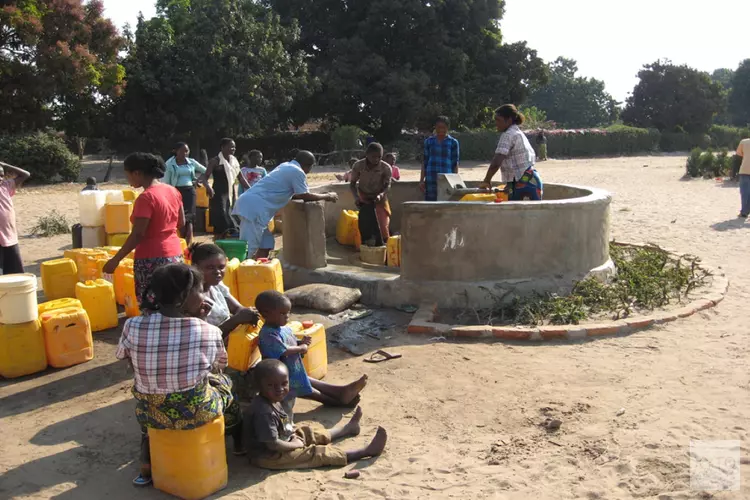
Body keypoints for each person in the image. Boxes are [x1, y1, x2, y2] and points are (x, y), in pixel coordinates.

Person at [115, 264, 243, 486]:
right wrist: (200, 320)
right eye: (201, 290)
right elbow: (219, 365)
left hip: (151, 412)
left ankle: (146, 461)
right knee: (226, 384)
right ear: (186, 295)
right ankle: (239, 442)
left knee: (148, 406)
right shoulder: (209, 330)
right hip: (197, 412)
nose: (205, 295)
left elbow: (124, 357)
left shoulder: (132, 325)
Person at [244, 359, 387, 470]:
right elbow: (273, 445)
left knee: (307, 432)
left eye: (284, 383)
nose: (280, 389)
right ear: (259, 386)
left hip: (281, 439)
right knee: (315, 453)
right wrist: (295, 445)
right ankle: (364, 452)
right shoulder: (263, 412)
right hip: (267, 456)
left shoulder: (272, 399)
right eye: (271, 385)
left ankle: (348, 429)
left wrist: (293, 437)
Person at [256, 290, 368, 409]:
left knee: (306, 382)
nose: (287, 316)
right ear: (266, 314)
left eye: (288, 312)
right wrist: (301, 348)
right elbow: (283, 350)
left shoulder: (282, 328)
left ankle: (340, 392)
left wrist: (300, 342)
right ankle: (337, 402)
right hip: (280, 375)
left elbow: (287, 343)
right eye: (282, 313)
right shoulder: (268, 334)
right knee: (307, 390)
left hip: (292, 370)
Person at [103, 153, 185, 305]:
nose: (128, 180)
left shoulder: (146, 198)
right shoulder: (173, 191)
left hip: (151, 258)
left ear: (137, 173)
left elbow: (138, 234)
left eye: (127, 175)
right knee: (173, 301)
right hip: (175, 253)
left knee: (152, 303)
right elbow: (181, 222)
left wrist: (115, 260)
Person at [233, 150, 339, 259]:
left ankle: (259, 267)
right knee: (248, 248)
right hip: (254, 209)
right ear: (309, 166)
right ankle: (240, 272)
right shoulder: (297, 171)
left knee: (267, 243)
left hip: (254, 207)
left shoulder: (286, 166)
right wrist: (327, 196)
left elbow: (293, 194)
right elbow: (304, 196)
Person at [189, 242, 260, 337]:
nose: (217, 272)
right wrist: (235, 320)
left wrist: (250, 313)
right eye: (210, 267)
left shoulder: (217, 286)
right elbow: (204, 336)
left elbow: (236, 308)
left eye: (221, 267)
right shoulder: (192, 297)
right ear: (195, 267)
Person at [480, 105, 543, 201]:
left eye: (498, 120)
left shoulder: (508, 135)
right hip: (532, 180)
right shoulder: (518, 132)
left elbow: (497, 162)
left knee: (516, 215)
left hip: (522, 184)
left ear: (509, 120)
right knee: (533, 214)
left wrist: (486, 181)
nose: (496, 123)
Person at [200, 138, 247, 238]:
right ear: (222, 147)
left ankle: (230, 242)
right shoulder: (215, 161)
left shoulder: (234, 161)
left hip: (231, 194)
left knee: (232, 216)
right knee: (221, 218)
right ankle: (219, 243)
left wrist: (252, 189)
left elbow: (241, 178)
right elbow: (205, 177)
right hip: (218, 194)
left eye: (234, 147)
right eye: (231, 146)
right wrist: (208, 187)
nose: (233, 149)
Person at [164, 142, 207, 245]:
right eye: (182, 151)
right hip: (176, 192)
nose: (185, 153)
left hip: (190, 191)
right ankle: (182, 241)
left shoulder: (191, 162)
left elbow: (206, 171)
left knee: (190, 217)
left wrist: (198, 181)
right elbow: (167, 181)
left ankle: (189, 243)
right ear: (176, 151)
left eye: (187, 151)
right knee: (180, 217)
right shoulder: (170, 164)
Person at [350, 143, 392, 245]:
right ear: (367, 154)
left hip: (379, 198)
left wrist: (381, 195)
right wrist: (356, 198)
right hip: (364, 197)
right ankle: (367, 246)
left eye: (379, 157)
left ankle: (386, 247)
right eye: (373, 156)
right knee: (365, 224)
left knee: (383, 224)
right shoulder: (358, 166)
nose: (376, 159)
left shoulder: (386, 168)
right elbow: (352, 184)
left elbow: (387, 185)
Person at [0, 161, 30, 275]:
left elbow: (25, 174)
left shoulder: (6, 186)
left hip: (9, 236)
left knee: (15, 272)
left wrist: (5, 165)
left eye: (2, 175)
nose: (0, 178)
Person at [420, 116, 460, 201]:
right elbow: (425, 162)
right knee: (430, 204)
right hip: (431, 178)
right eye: (438, 127)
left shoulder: (453, 142)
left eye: (443, 127)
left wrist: (455, 181)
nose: (441, 130)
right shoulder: (429, 142)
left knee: (445, 204)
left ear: (447, 128)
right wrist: (421, 180)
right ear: (435, 127)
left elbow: (455, 163)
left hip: (446, 179)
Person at [736, 137, 750, 218]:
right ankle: (746, 210)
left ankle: (744, 212)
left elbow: (739, 154)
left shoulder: (744, 142)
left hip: (745, 169)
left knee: (744, 192)